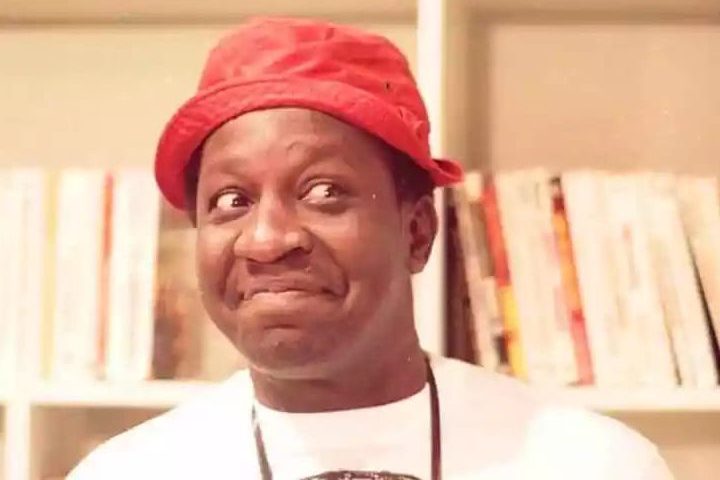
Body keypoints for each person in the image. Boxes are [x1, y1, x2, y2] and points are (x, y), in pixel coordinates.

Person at [69, 17, 673, 480]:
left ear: (417, 232)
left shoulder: (590, 464)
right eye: (232, 200)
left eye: (324, 192)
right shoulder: (127, 473)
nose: (268, 239)